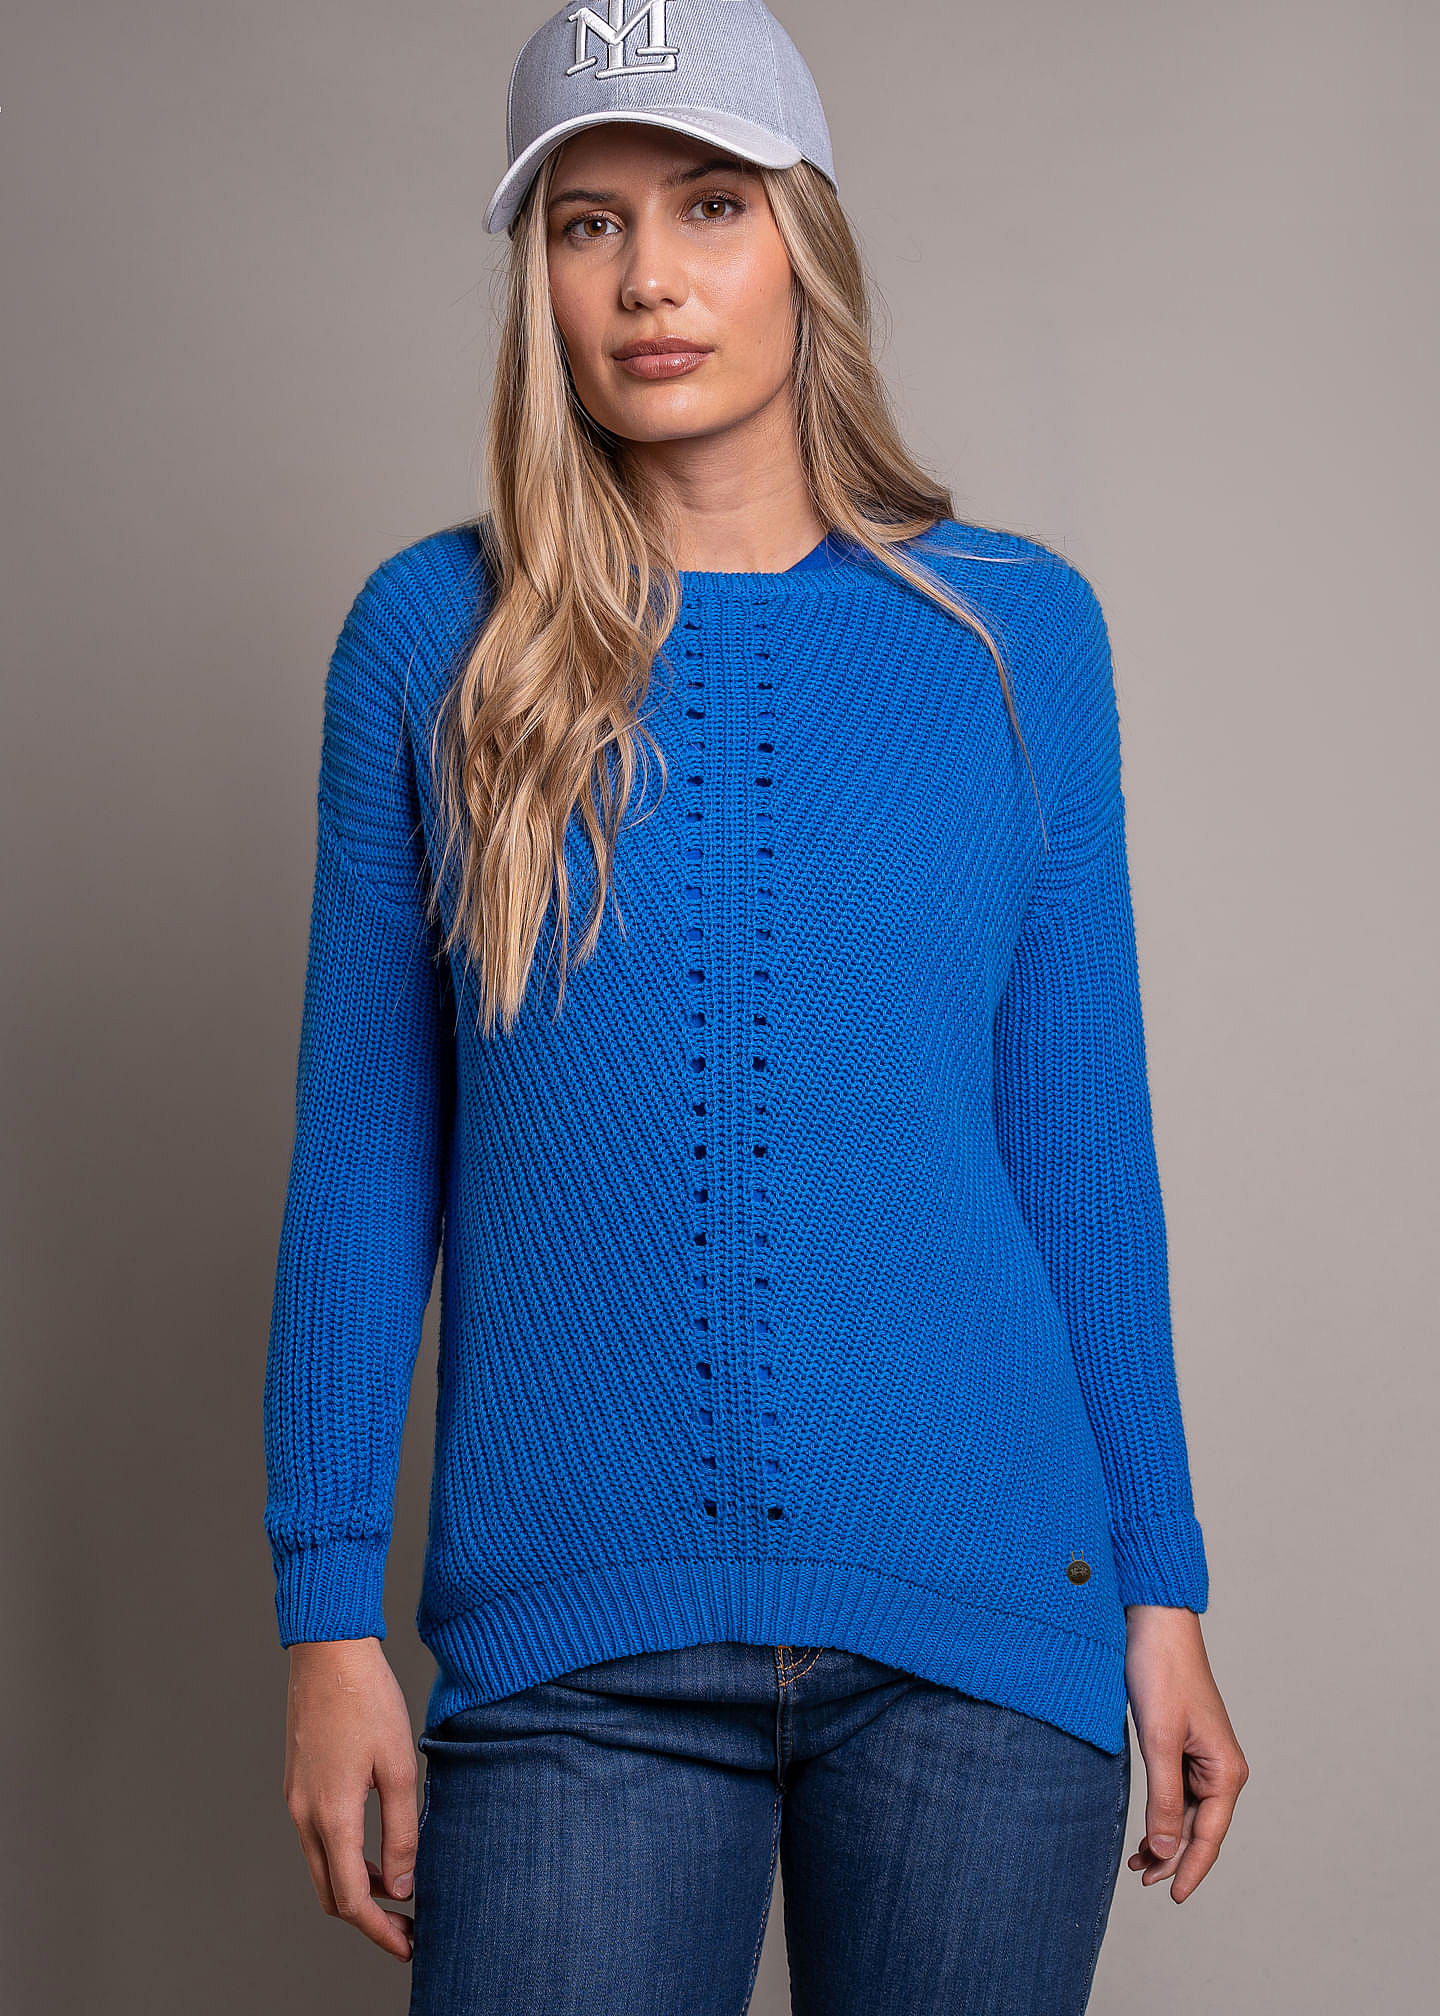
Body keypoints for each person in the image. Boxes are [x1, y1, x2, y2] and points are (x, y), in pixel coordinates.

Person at [262, 3, 1249, 2010]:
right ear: (538, 275)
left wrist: (1164, 1586)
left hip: (985, 1623)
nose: (649, 279)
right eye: (588, 222)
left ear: (807, 241)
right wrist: (323, 1616)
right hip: (573, 1641)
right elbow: (368, 1165)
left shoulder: (1013, 633)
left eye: (710, 206)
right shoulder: (436, 642)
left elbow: (1082, 1155)